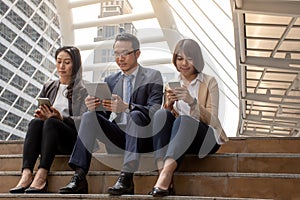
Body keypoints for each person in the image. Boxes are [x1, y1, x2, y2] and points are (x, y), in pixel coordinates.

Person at [59, 33, 164, 195]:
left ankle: (126, 177)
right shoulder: (110, 80)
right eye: (116, 54)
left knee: (134, 116)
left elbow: (155, 111)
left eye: (125, 53)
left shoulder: (153, 76)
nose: (120, 58)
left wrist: (127, 107)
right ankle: (79, 176)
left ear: (137, 53)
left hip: (143, 138)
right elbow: (102, 116)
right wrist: (91, 107)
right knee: (89, 116)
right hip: (118, 138)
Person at [150, 39, 228, 197]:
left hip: (205, 139)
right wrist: (168, 106)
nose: (184, 63)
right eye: (179, 59)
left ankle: (166, 174)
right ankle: (162, 173)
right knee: (161, 114)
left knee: (184, 120)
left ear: (197, 60)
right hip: (180, 141)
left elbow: (214, 120)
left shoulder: (209, 82)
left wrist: (192, 102)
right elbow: (167, 124)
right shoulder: (171, 84)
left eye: (189, 59)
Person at [9, 46, 88, 193]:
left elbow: (85, 121)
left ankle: (42, 174)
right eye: (58, 62)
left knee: (52, 121)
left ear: (75, 64)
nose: (61, 66)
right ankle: (26, 174)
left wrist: (61, 117)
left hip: (72, 139)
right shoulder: (49, 86)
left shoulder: (84, 89)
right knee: (35, 122)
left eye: (67, 62)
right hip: (49, 137)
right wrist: (42, 114)